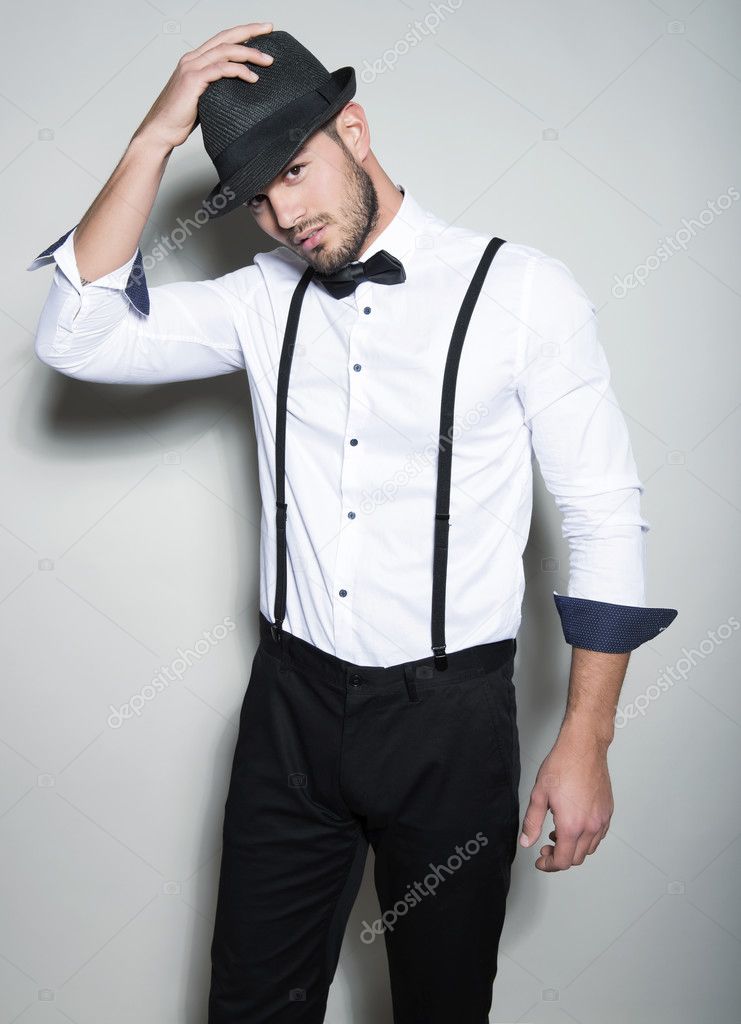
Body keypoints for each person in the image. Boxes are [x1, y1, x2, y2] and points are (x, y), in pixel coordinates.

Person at [27, 23, 678, 1024]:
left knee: (440, 1005)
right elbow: (78, 335)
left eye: (295, 169)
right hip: (290, 708)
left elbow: (603, 516)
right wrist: (153, 138)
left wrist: (586, 738)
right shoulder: (256, 302)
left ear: (355, 129)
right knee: (249, 1003)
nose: (283, 212)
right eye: (257, 196)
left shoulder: (521, 293)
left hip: (450, 725)